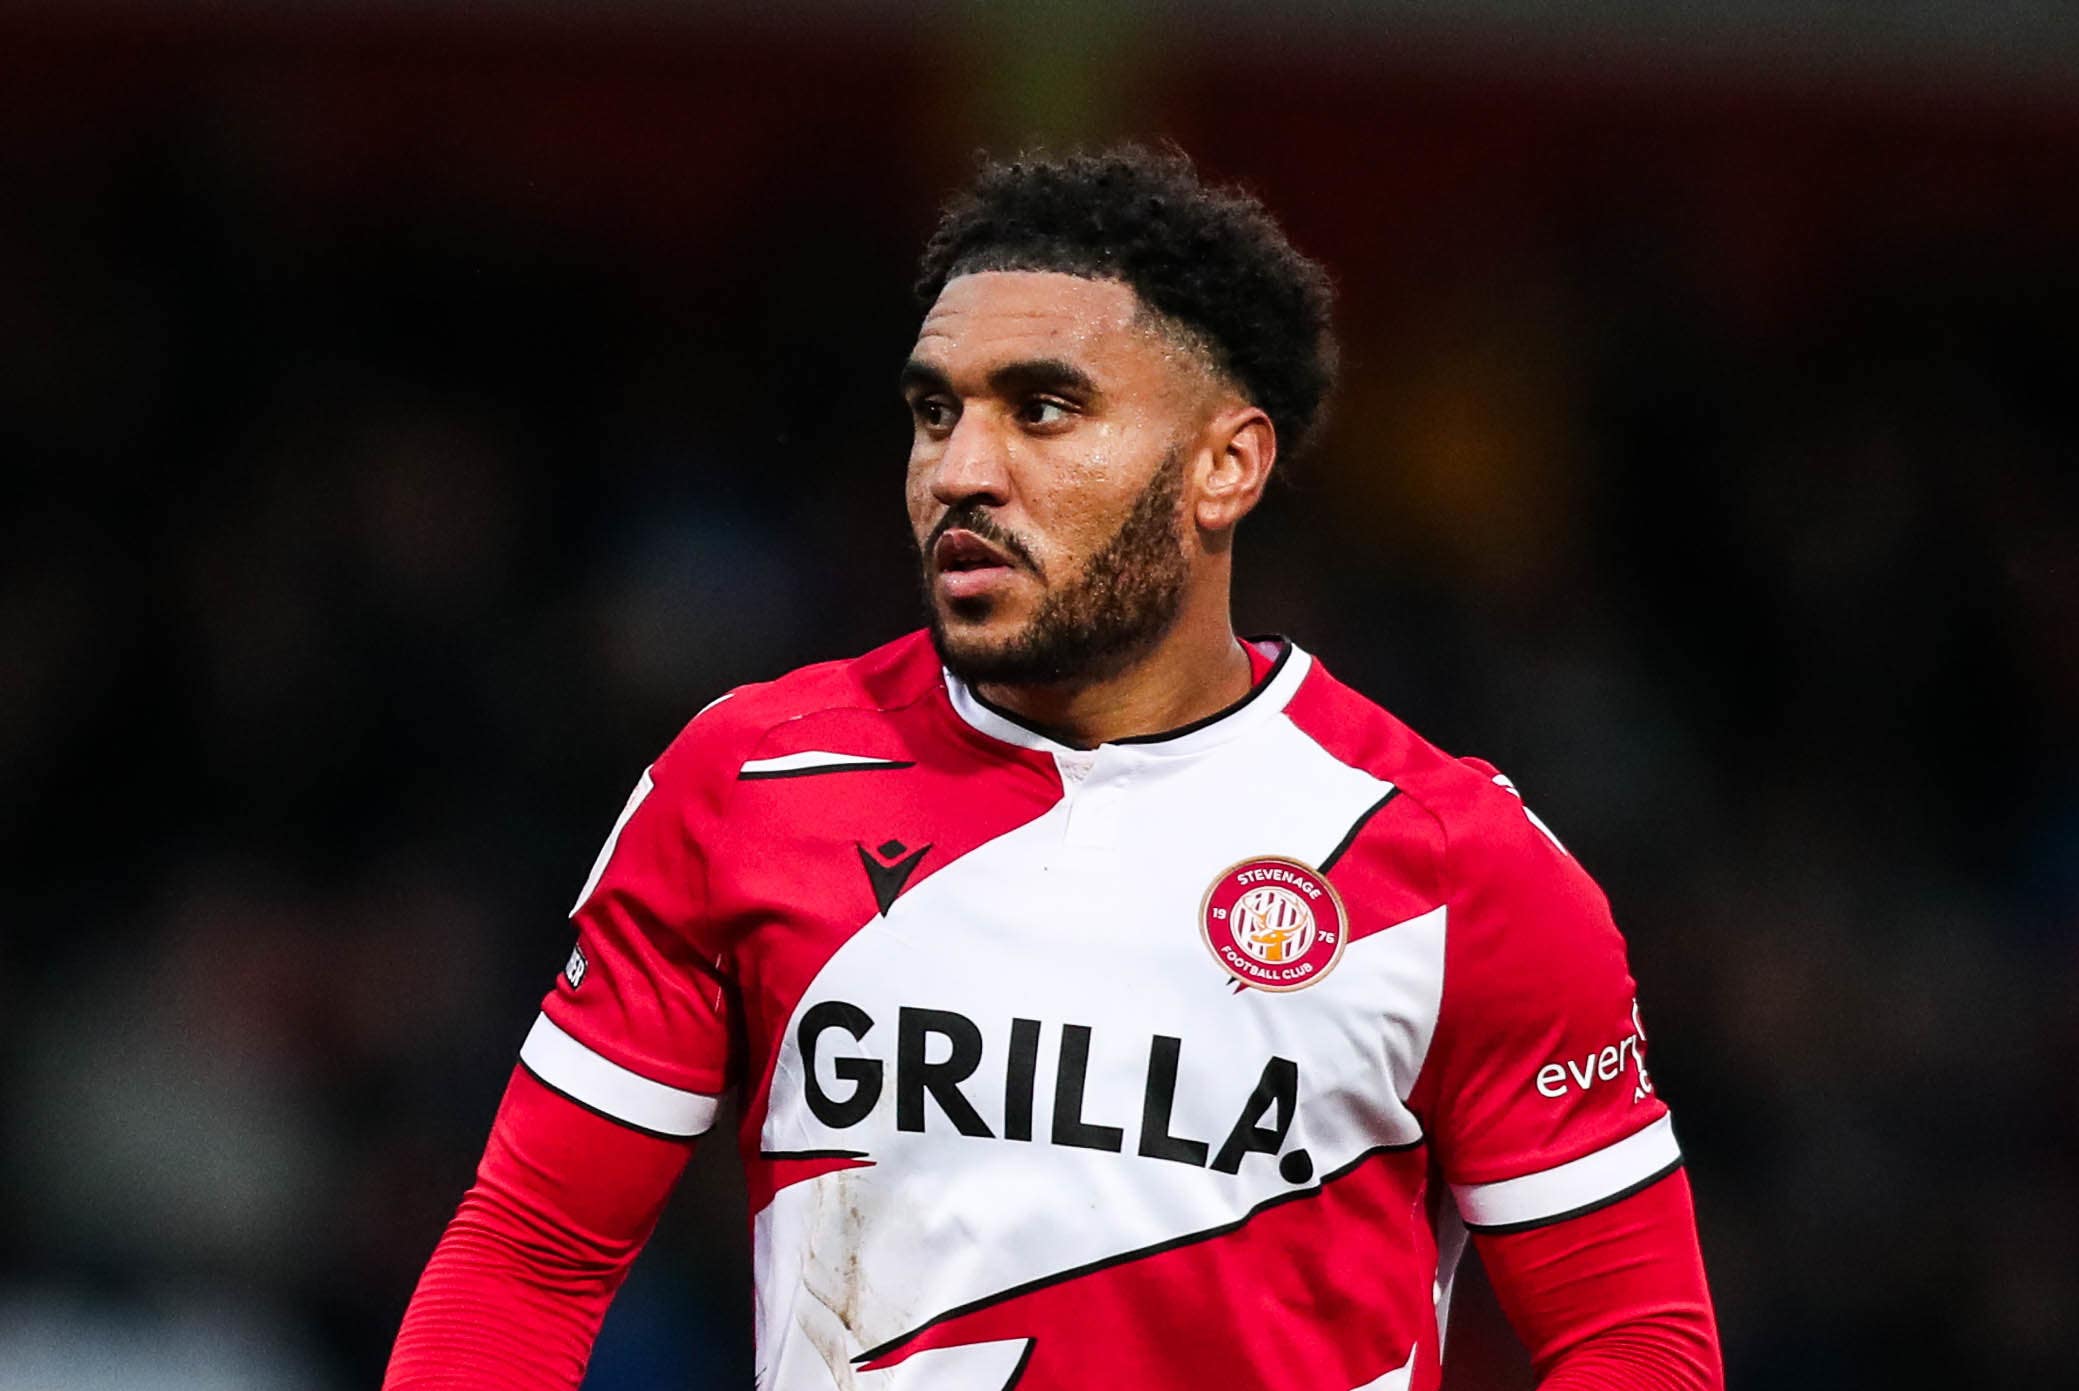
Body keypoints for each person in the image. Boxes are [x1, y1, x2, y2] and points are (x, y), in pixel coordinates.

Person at [385, 145, 1721, 1391]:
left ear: (1224, 466)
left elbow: (1630, 1336)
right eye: (932, 413)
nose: (961, 471)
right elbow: (530, 1253)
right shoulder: (747, 781)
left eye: (1042, 410)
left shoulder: (1452, 859)